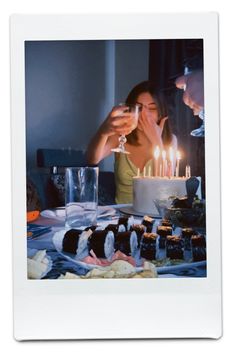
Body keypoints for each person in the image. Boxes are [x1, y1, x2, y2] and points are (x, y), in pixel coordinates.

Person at [86, 81, 177, 204]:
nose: (144, 114)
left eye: (152, 108)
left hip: (155, 215)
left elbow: (164, 189)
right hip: (122, 216)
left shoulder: (170, 140)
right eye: (138, 108)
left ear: (161, 112)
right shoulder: (121, 136)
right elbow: (92, 159)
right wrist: (104, 131)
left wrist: (157, 141)